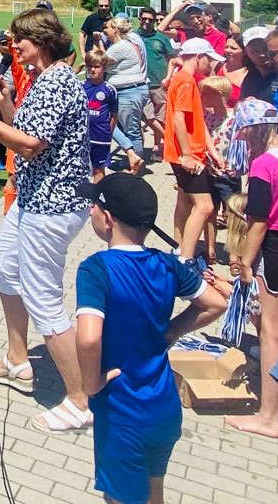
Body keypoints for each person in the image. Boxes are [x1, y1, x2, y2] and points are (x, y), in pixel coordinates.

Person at [0, 8, 93, 431]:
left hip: (51, 206)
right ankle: (17, 357)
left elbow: (28, 146)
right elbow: (23, 129)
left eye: (19, 42)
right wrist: (5, 101)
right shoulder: (44, 80)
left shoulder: (58, 80)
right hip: (31, 198)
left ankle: (79, 400)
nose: (15, 49)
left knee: (43, 298)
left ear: (40, 42)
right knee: (6, 267)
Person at [73, 173, 226, 504]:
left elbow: (87, 339)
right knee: (152, 493)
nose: (89, 213)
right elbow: (216, 302)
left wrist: (91, 384)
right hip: (164, 409)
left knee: (121, 498)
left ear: (108, 218)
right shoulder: (167, 265)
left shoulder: (95, 269)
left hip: (124, 414)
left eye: (93, 207)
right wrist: (171, 330)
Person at [229, 114, 278, 439]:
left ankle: (268, 416)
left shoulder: (263, 165)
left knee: (271, 334)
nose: (243, 144)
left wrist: (245, 262)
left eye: (244, 136)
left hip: (273, 248)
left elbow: (258, 222)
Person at [165, 38, 224, 260]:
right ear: (199, 57)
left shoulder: (183, 79)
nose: (211, 65)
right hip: (187, 156)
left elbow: (195, 120)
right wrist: (188, 155)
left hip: (188, 153)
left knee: (185, 201)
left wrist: (213, 151)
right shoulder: (186, 81)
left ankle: (178, 248)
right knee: (205, 206)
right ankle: (186, 259)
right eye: (209, 60)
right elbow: (179, 119)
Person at [101, 16, 147, 173]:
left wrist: (97, 43)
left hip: (128, 92)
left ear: (115, 29)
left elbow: (100, 64)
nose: (104, 30)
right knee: (127, 128)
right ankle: (133, 158)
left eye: (107, 27)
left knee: (124, 129)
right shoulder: (126, 44)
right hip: (130, 91)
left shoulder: (118, 47)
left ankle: (135, 165)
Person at [137, 7, 177, 154]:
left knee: (160, 117)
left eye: (150, 20)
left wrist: (168, 77)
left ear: (154, 21)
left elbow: (172, 58)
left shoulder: (161, 38)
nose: (146, 22)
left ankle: (157, 146)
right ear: (139, 19)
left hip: (159, 83)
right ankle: (166, 140)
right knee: (147, 116)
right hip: (140, 84)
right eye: (144, 19)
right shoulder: (134, 36)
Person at [83, 51, 118, 182]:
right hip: (83, 137)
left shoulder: (109, 90)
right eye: (90, 66)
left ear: (104, 68)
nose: (92, 69)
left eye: (96, 66)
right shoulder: (81, 87)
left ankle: (97, 200)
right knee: (81, 168)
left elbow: (114, 115)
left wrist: (108, 133)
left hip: (101, 137)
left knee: (98, 169)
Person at [239, 26, 278, 103]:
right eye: (255, 50)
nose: (262, 54)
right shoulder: (250, 77)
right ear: (246, 52)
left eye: (264, 48)